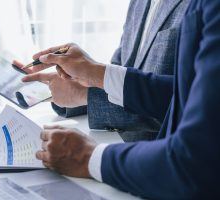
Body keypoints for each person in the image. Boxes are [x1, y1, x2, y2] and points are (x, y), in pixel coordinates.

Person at [22, 0, 220, 198]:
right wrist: (90, 81)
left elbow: (182, 109)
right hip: (134, 168)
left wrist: (87, 156)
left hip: (158, 171)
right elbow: (122, 68)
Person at [14, 0, 191, 142]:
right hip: (118, 149)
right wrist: (81, 83)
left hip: (165, 164)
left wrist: (86, 92)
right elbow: (121, 71)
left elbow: (187, 103)